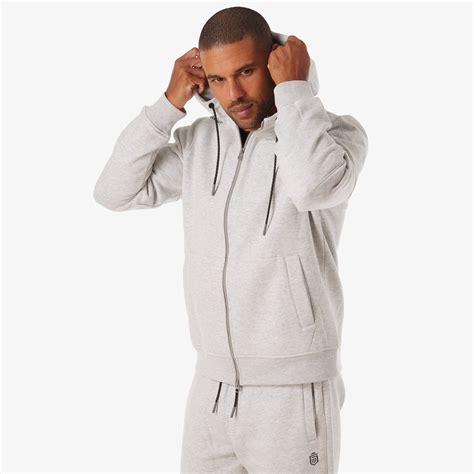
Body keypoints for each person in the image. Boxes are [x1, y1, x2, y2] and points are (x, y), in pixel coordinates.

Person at [93, 6, 368, 473]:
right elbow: (113, 192)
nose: (233, 94)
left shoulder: (335, 134)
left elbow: (313, 187)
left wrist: (295, 91)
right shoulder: (200, 143)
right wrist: (167, 106)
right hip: (212, 387)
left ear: (276, 61)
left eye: (246, 72)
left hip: (292, 390)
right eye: (218, 79)